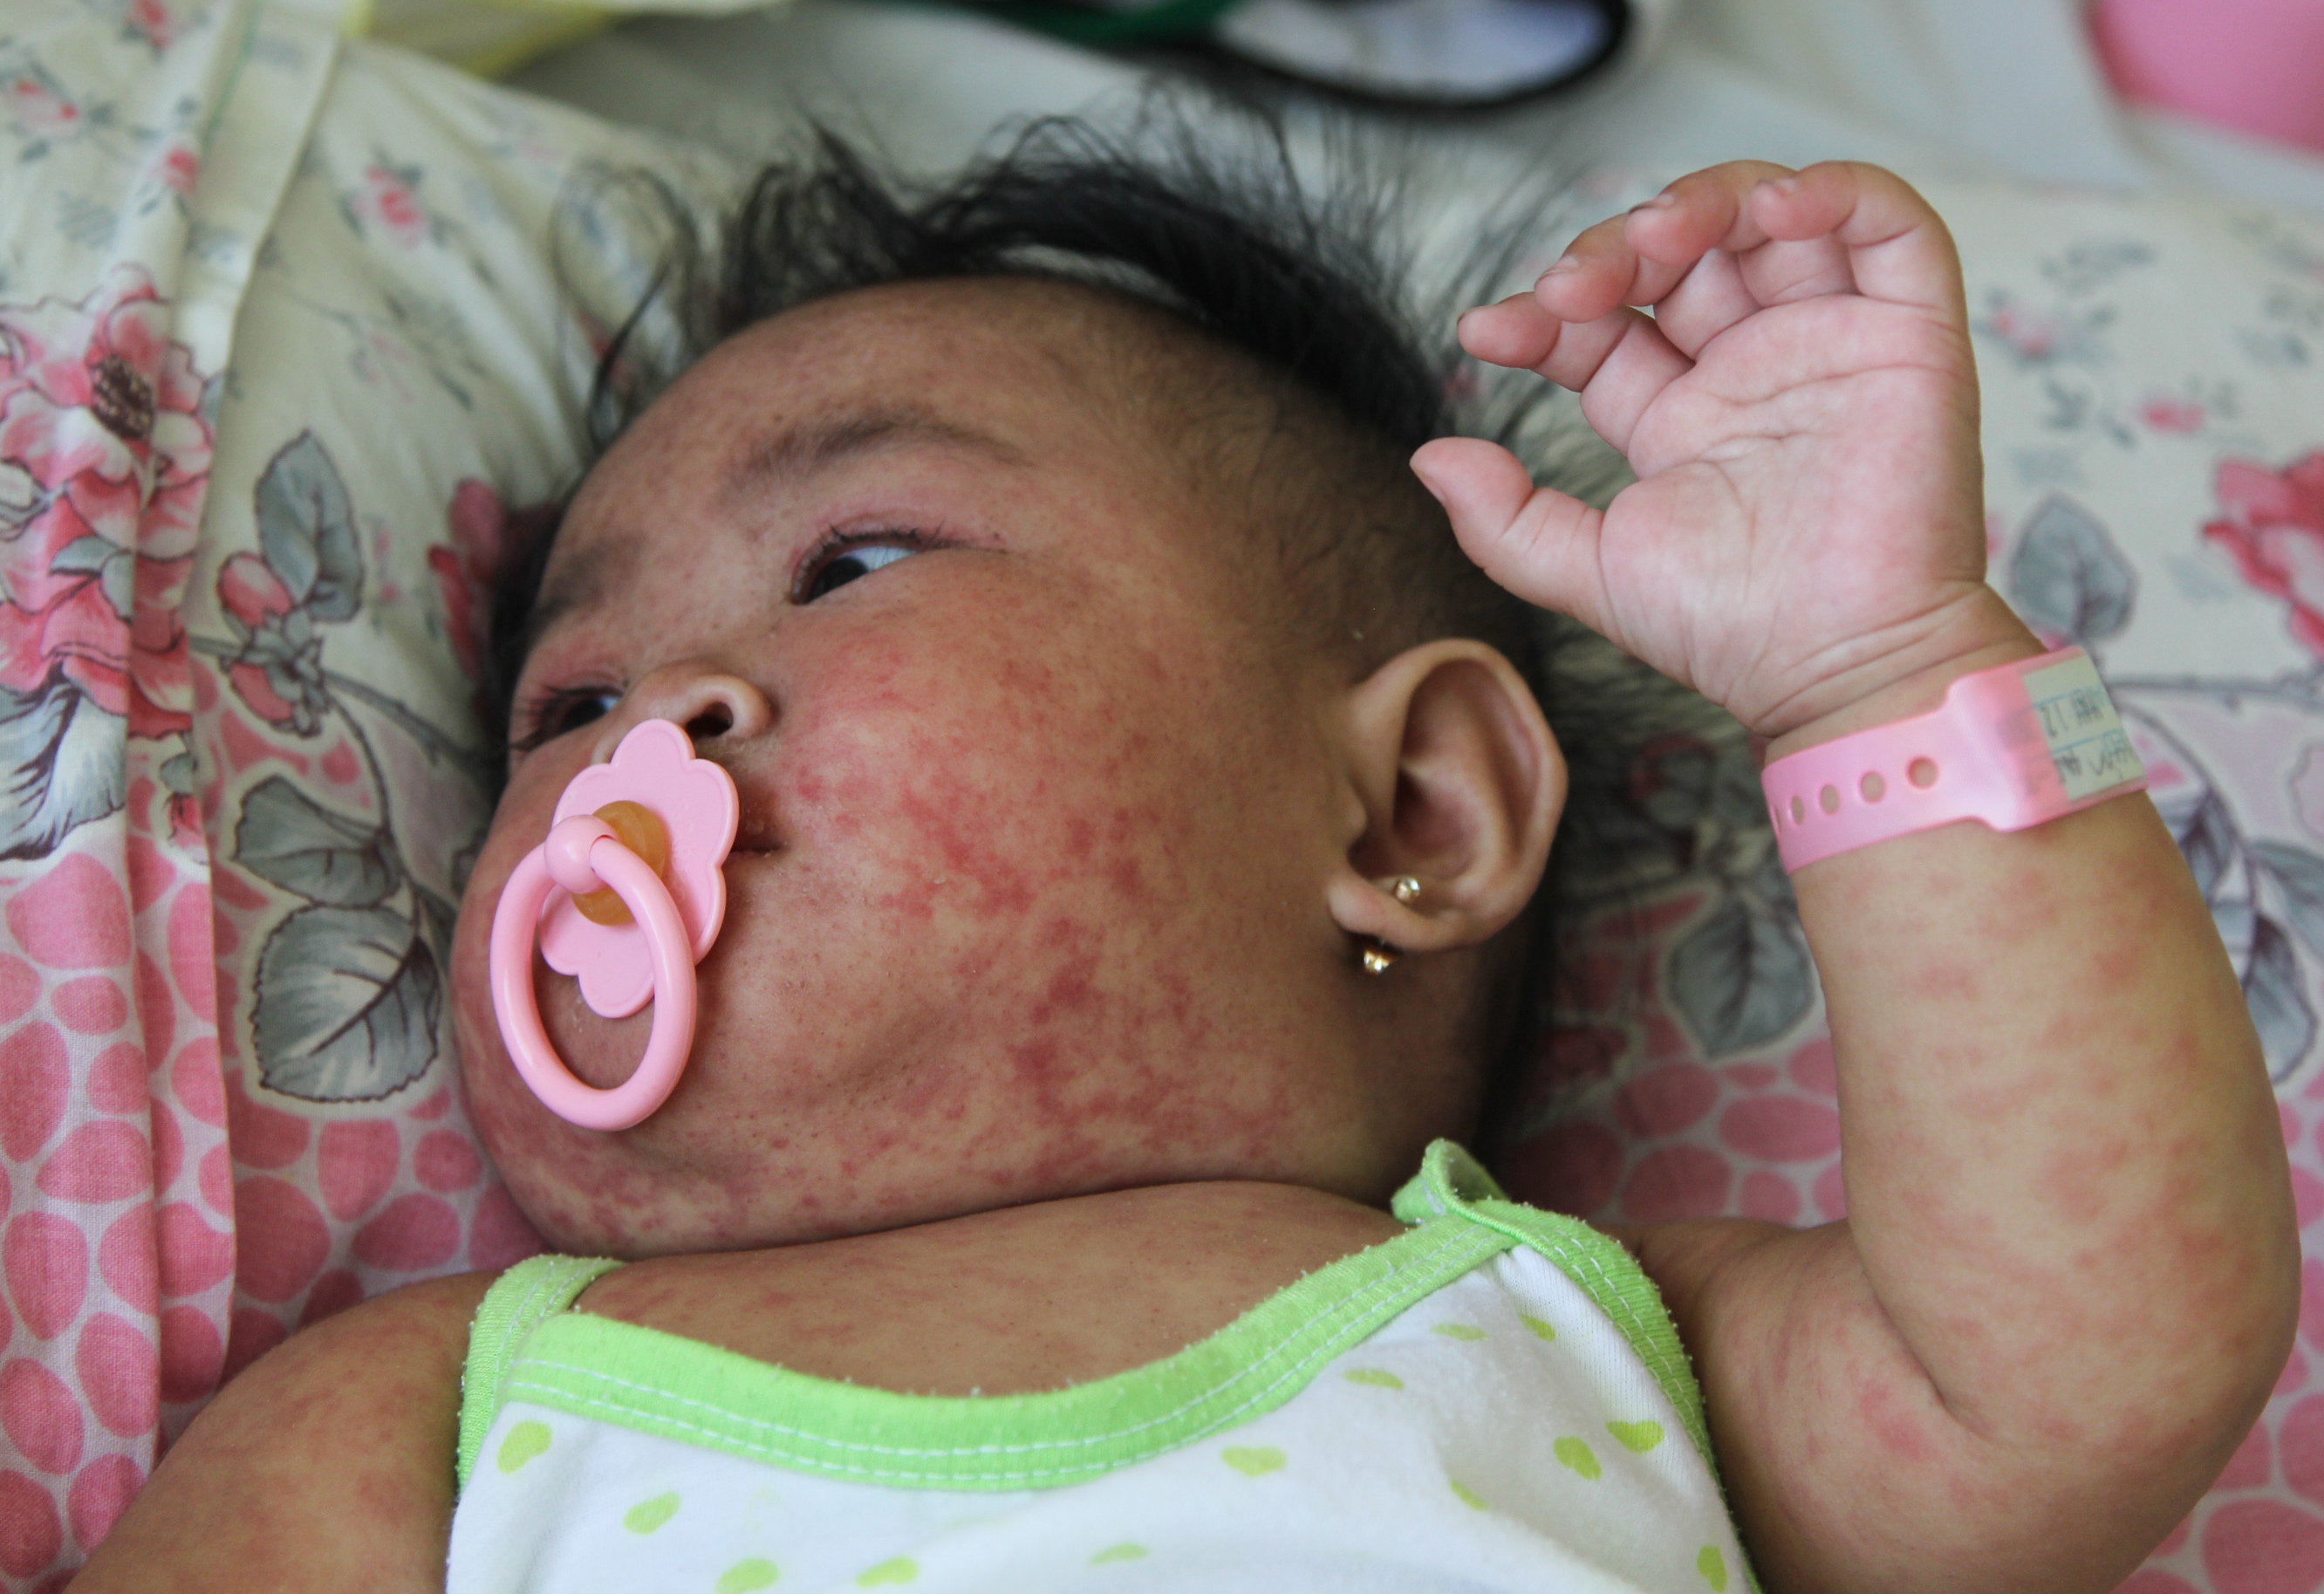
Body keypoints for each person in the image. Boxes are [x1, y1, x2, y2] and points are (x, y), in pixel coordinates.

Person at [76, 133, 2296, 1594]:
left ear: (1406, 815)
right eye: (568, 711)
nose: (666, 716)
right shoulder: (430, 1409)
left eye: (854, 560)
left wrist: (1881, 666)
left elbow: (2080, 1359)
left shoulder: (1570, 1324)